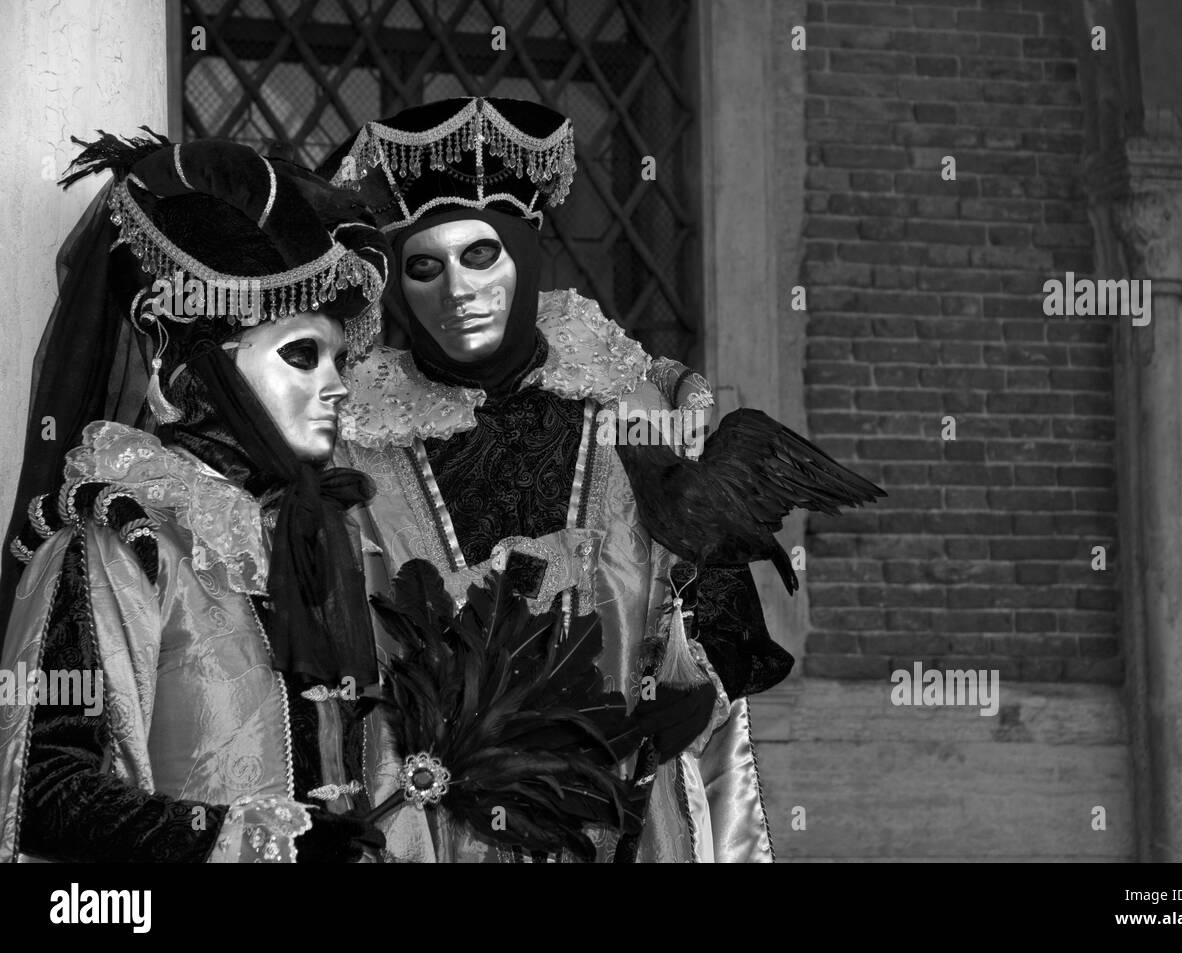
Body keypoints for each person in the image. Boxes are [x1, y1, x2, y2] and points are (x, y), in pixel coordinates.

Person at [319, 97, 794, 862]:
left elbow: (716, 633)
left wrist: (687, 674)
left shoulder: (637, 407)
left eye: (481, 255)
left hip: (619, 818)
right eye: (424, 267)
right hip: (423, 829)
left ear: (525, 252)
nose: (457, 291)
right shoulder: (356, 436)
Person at [0, 132, 400, 862]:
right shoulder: (120, 545)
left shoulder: (316, 540)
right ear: (196, 368)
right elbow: (42, 788)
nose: (337, 386)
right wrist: (239, 842)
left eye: (339, 357)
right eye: (301, 354)